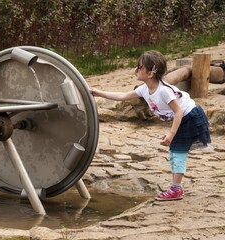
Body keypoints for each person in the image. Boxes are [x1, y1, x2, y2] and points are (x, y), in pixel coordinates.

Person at [90, 50, 211, 201]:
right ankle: (176, 187)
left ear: (150, 74)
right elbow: (123, 96)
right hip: (182, 118)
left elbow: (179, 112)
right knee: (175, 151)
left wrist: (171, 133)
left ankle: (176, 189)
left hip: (189, 117)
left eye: (139, 67)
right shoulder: (144, 89)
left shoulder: (164, 91)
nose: (136, 70)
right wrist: (99, 93)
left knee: (177, 151)